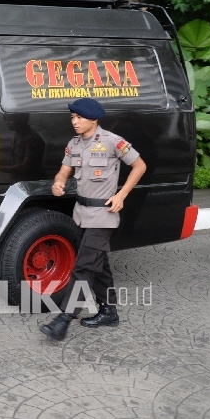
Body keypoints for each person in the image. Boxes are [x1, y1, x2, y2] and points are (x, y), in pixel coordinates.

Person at [40, 98, 146, 341]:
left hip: (103, 215)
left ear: (94, 119)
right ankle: (109, 311)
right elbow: (64, 169)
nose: (74, 122)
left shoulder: (112, 142)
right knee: (98, 265)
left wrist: (121, 195)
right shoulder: (74, 144)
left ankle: (63, 320)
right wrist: (59, 181)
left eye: (79, 118)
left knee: (84, 266)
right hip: (81, 214)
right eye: (72, 118)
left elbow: (140, 166)